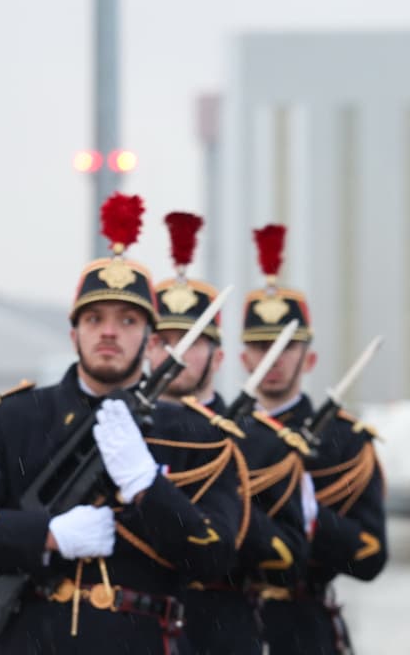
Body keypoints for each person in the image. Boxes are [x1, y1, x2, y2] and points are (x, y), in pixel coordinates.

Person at [0, 193, 245, 654]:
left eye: (128, 320)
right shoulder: (16, 418)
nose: (109, 331)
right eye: (94, 318)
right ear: (74, 334)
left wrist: (147, 485)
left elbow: (215, 553)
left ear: (150, 342)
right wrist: (46, 535)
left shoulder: (195, 434)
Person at [147, 212, 309, 655]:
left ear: (218, 359)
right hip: (135, 628)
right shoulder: (121, 434)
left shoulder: (263, 442)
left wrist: (228, 509)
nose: (175, 353)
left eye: (192, 340)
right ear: (146, 350)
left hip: (221, 630)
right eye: (164, 340)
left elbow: (289, 560)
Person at [244, 223, 387, 655]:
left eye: (286, 347)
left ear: (310, 358)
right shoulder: (218, 439)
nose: (273, 358)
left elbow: (371, 557)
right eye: (261, 345)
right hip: (226, 623)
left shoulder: (344, 442)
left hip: (304, 627)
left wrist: (312, 518)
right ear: (240, 356)